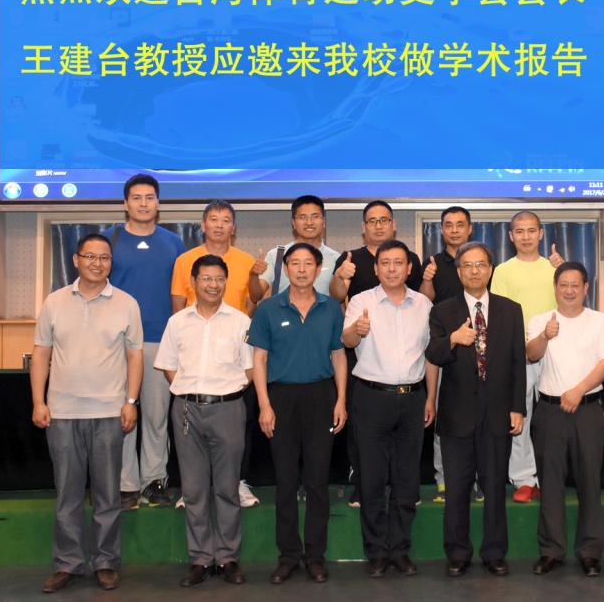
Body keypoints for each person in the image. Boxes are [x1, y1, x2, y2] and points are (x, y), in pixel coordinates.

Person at [30, 233, 143, 593]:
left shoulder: (126, 303)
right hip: (62, 413)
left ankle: (106, 562)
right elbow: (42, 353)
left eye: (104, 258)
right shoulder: (54, 302)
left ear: (111, 263)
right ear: (76, 260)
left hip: (109, 412)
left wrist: (131, 401)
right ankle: (67, 563)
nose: (98, 263)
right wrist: (38, 401)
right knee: (68, 494)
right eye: (90, 257)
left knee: (108, 495)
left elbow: (135, 356)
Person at [426, 242, 527, 577]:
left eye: (480, 264)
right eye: (467, 265)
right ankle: (457, 553)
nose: (474, 271)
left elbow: (517, 362)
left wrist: (517, 407)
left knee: (495, 488)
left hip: (498, 414)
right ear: (458, 272)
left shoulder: (511, 310)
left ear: (490, 269)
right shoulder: (443, 311)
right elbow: (433, 354)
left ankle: (495, 553)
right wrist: (453, 339)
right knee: (457, 490)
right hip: (457, 416)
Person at [250, 243, 348, 585]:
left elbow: (339, 355)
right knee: (286, 480)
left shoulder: (331, 308)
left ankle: (315, 556)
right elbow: (259, 359)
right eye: (295, 263)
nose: (302, 269)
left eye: (308, 263)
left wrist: (341, 400)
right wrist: (264, 404)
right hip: (281, 397)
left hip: (321, 396)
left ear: (319, 269)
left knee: (317, 481)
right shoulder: (268, 308)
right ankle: (288, 556)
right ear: (286, 268)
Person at [154, 254, 253, 587]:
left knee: (227, 488)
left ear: (226, 282)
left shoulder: (240, 321)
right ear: (193, 282)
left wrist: (222, 392)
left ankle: (227, 558)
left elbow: (250, 370)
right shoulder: (177, 322)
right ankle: (200, 558)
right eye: (206, 278)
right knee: (194, 489)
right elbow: (169, 366)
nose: (213, 285)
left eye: (219, 279)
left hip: (228, 409)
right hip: (186, 410)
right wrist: (190, 392)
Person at [343, 240, 435, 577]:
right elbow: (346, 341)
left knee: (407, 479)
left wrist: (430, 398)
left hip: (412, 398)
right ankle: (377, 552)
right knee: (372, 478)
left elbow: (431, 355)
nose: (392, 269)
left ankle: (400, 550)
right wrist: (356, 330)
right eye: (385, 263)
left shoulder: (424, 304)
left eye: (399, 263)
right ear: (376, 268)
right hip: (371, 398)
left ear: (409, 269)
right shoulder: (361, 301)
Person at [330, 200, 422, 506]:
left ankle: (403, 499)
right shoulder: (352, 266)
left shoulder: (420, 293)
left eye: (384, 220)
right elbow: (339, 307)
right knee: (366, 448)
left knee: (405, 456)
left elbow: (422, 311)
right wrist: (341, 278)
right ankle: (364, 489)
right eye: (373, 220)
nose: (392, 269)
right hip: (368, 370)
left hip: (408, 381)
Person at [104, 173, 186, 510]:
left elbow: (182, 293)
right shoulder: (108, 240)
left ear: (158, 203)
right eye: (136, 198)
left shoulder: (173, 243)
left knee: (155, 416)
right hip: (116, 344)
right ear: (125, 203)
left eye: (149, 198)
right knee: (122, 416)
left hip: (158, 341)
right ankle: (125, 485)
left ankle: (154, 481)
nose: (143, 203)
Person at [171, 199, 260, 507]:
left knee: (239, 424)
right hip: (196, 352)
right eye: (213, 219)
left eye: (225, 220)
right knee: (189, 431)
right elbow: (177, 308)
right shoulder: (185, 260)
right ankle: (191, 488)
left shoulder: (246, 260)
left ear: (233, 227)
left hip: (234, 352)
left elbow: (252, 304)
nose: (219, 225)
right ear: (203, 225)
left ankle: (238, 482)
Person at [526, 262, 604, 577]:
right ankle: (551, 551)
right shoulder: (541, 320)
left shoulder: (599, 321)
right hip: (549, 412)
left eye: (576, 285)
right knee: (550, 483)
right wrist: (545, 336)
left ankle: (590, 552)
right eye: (563, 284)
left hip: (587, 409)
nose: (569, 290)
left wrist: (578, 390)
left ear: (586, 288)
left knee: (590, 481)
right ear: (555, 287)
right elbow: (531, 354)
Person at [489, 211, 563, 502]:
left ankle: (549, 476)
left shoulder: (555, 268)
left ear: (541, 234)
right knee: (520, 415)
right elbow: (498, 313)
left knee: (552, 418)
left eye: (531, 230)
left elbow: (569, 307)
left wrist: (563, 270)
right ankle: (523, 478)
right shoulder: (503, 271)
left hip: (554, 352)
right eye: (519, 231)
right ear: (510, 236)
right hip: (517, 354)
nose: (526, 236)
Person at [420, 205, 473, 502]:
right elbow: (423, 301)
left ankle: (476, 479)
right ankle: (443, 478)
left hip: (476, 348)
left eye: (460, 224)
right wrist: (428, 279)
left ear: (470, 228)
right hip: (442, 348)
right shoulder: (432, 263)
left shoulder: (478, 260)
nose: (454, 230)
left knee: (476, 419)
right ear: (441, 230)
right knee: (444, 418)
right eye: (448, 225)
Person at [249, 194, 339, 301]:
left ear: (323, 222)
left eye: (315, 216)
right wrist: (253, 275)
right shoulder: (276, 255)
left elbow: (339, 300)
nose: (309, 222)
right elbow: (256, 296)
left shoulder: (336, 258)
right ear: (293, 223)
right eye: (302, 217)